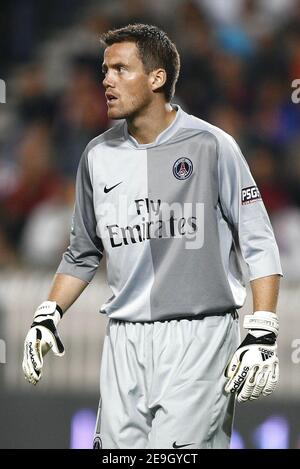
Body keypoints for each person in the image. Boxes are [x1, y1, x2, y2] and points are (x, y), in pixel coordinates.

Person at [22, 23, 282, 449]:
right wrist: (48, 313)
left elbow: (258, 240)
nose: (106, 80)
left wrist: (263, 330)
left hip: (198, 338)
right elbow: (82, 250)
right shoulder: (97, 155)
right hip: (123, 339)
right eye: (105, 70)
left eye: (120, 70)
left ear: (157, 78)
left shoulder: (212, 145)